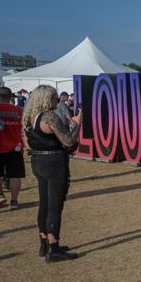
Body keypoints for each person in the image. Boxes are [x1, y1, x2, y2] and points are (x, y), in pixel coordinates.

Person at [21, 86, 82, 262]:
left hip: (38, 161)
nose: (58, 100)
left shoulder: (29, 118)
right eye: (55, 97)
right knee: (55, 205)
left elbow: (29, 145)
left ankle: (45, 243)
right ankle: (53, 249)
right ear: (48, 99)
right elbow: (69, 141)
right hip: (54, 163)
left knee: (44, 204)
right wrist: (77, 123)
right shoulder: (49, 116)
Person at [0, 87, 25, 209]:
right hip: (15, 147)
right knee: (15, 175)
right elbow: (24, 129)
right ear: (10, 97)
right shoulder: (20, 111)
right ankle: (14, 201)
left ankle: (0, 195)